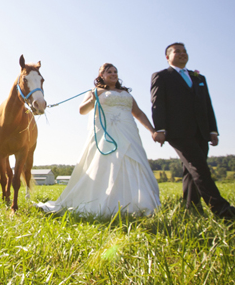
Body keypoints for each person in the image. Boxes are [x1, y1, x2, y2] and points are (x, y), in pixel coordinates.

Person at [37, 64, 160, 216]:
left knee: (133, 160)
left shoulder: (126, 93)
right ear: (101, 75)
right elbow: (82, 110)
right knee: (107, 164)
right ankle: (105, 201)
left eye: (115, 72)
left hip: (129, 131)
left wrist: (153, 131)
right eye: (109, 72)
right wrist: (93, 99)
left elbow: (139, 113)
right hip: (106, 132)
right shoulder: (95, 91)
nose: (113, 74)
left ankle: (139, 202)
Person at [150, 42, 235, 219]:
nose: (182, 54)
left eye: (184, 51)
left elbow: (207, 105)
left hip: (201, 131)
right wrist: (159, 129)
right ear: (168, 57)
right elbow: (157, 104)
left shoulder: (199, 78)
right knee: (200, 168)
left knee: (191, 171)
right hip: (178, 132)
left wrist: (213, 131)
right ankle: (221, 209)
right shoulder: (161, 76)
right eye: (177, 52)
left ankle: (192, 210)